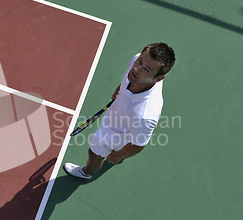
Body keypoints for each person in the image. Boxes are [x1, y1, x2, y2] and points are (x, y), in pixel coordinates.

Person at [64, 42, 176, 180]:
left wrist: (117, 156)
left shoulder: (145, 114)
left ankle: (86, 172)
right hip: (123, 119)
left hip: (114, 135)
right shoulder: (137, 64)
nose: (136, 69)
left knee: (94, 155)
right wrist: (120, 90)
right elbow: (128, 78)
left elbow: (138, 145)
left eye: (146, 69)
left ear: (158, 78)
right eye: (140, 61)